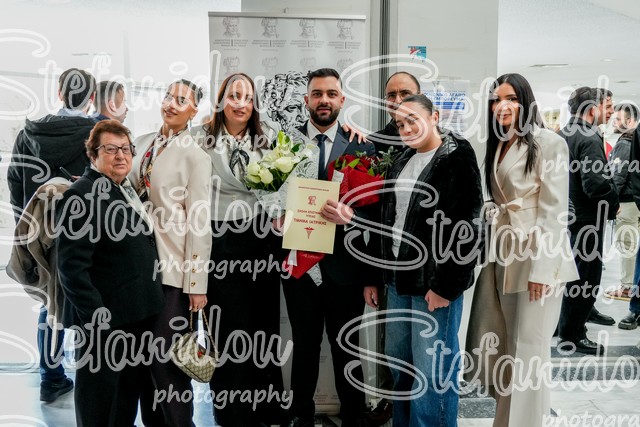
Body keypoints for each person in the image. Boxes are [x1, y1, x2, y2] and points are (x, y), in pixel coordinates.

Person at [466, 73, 578, 427]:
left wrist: (543, 270)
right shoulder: (499, 143)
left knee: (529, 351)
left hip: (537, 259)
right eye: (496, 100)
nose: (503, 106)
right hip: (504, 256)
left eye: (511, 98)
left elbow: (554, 212)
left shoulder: (549, 142)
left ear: (525, 101)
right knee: (509, 349)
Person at [362, 94, 481, 427]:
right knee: (401, 365)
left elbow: (468, 227)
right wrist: (374, 276)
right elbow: (386, 221)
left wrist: (446, 286)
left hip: (433, 284)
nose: (406, 129)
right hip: (398, 280)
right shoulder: (402, 159)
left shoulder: (456, 158)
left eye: (412, 120)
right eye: (400, 124)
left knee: (432, 373)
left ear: (435, 116)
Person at [280, 68, 376, 427]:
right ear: (306, 100)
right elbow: (272, 195)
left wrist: (351, 217)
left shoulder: (361, 145)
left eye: (331, 94)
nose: (324, 100)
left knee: (347, 347)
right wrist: (277, 215)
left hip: (345, 269)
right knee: (304, 345)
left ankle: (354, 417)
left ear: (342, 100)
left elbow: (374, 211)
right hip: (299, 265)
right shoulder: (284, 143)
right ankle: (300, 416)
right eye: (317, 94)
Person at [55, 120, 164, 426]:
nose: (120, 156)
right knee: (99, 406)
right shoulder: (81, 195)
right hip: (105, 323)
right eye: (111, 149)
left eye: (126, 149)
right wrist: (97, 318)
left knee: (124, 404)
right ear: (93, 155)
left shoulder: (123, 189)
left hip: (134, 317)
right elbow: (71, 269)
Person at [7, 67, 98, 403]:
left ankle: (51, 377)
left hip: (40, 232)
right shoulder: (95, 134)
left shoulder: (29, 133)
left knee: (50, 303)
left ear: (59, 92)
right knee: (87, 300)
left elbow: (15, 181)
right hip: (83, 232)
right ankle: (92, 375)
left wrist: (27, 224)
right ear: (92, 98)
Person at [202, 72, 285, 427]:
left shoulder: (269, 138)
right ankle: (232, 413)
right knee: (228, 328)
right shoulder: (200, 138)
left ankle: (266, 409)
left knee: (263, 327)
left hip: (262, 240)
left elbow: (308, 153)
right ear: (222, 100)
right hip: (220, 240)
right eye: (234, 96)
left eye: (248, 97)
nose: (241, 104)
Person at [130, 79, 212, 426]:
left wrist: (197, 284)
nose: (171, 104)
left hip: (173, 272)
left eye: (181, 100)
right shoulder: (141, 144)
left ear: (194, 110)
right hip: (137, 270)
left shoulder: (196, 156)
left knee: (166, 360)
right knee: (144, 360)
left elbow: (200, 224)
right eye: (168, 96)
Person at [557, 87, 619, 354]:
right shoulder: (588, 137)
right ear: (592, 109)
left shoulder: (562, 134)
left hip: (568, 216)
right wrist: (614, 201)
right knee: (586, 277)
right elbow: (595, 184)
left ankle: (567, 324)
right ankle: (572, 334)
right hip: (587, 218)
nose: (611, 111)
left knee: (573, 275)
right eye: (607, 106)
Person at [606, 103, 640, 301]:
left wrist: (611, 202)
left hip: (626, 203)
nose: (615, 123)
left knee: (627, 245)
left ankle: (627, 288)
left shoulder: (626, 142)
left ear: (631, 121)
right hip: (635, 202)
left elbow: (618, 176)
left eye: (618, 119)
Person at [368, 71, 421, 155]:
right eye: (391, 95)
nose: (397, 101)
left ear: (420, 98)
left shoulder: (439, 141)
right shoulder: (372, 144)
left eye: (405, 93)